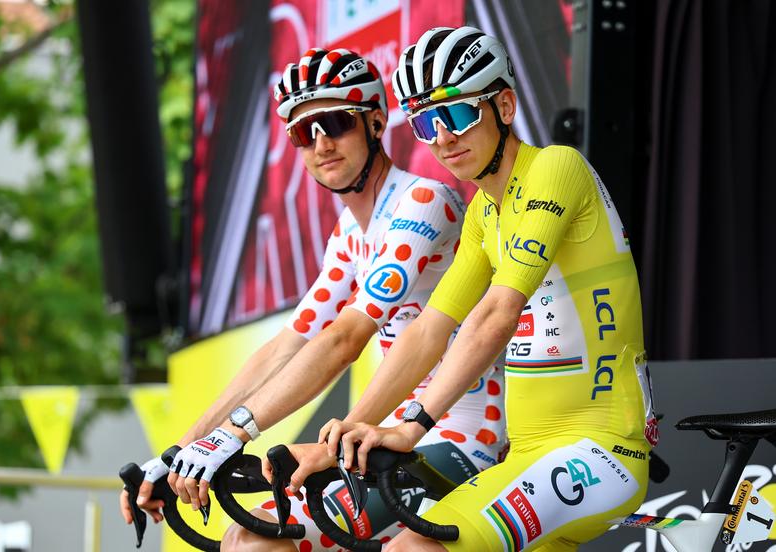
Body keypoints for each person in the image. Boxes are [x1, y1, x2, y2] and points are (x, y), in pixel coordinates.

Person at [118, 48, 507, 551]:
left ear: (375, 121)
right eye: (304, 132)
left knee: (263, 546)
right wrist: (181, 450)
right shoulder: (349, 232)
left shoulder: (423, 203)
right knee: (244, 538)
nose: (321, 143)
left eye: (335, 122)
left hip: (467, 435)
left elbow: (344, 338)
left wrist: (235, 435)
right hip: (388, 437)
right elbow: (290, 344)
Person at [291, 26, 658, 551]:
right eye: (424, 121)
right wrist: (348, 432)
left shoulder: (555, 167)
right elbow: (428, 332)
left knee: (416, 549)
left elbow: (496, 315)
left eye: (458, 114)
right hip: (527, 453)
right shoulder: (484, 214)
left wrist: (411, 427)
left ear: (505, 106)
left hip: (600, 449)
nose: (442, 136)